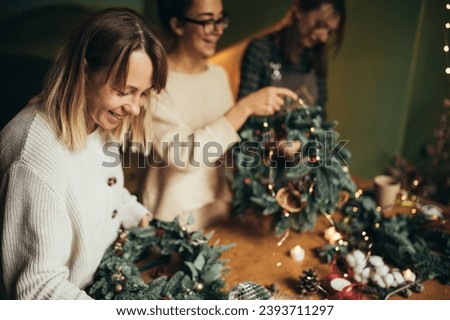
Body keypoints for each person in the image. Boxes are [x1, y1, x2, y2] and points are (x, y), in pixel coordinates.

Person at [0, 8, 167, 299]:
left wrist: (140, 218)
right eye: (124, 90)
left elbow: (104, 191)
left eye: (143, 93)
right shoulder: (34, 160)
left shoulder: (98, 120)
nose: (135, 107)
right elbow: (38, 291)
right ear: (83, 71)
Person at [141, 0, 297, 231]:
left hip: (219, 209)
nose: (218, 29)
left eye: (220, 19)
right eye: (207, 20)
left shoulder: (217, 75)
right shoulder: (154, 82)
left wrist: (274, 145)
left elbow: (226, 142)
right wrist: (243, 109)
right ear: (178, 25)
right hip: (173, 219)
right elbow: (183, 155)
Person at [238, 0, 346, 114]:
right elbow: (246, 111)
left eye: (330, 32)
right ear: (299, 10)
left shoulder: (316, 60)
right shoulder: (262, 49)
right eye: (320, 25)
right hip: (266, 131)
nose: (323, 38)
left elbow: (321, 117)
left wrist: (327, 133)